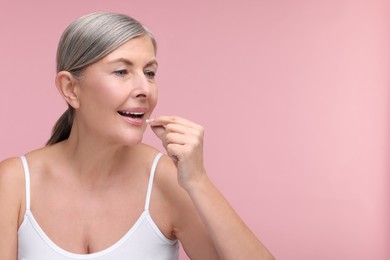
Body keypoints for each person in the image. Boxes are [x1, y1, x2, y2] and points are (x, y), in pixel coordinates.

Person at [0, 12, 274, 260]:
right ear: (71, 88)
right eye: (122, 71)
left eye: (150, 73)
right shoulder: (13, 183)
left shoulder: (167, 180)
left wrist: (198, 181)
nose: (145, 89)